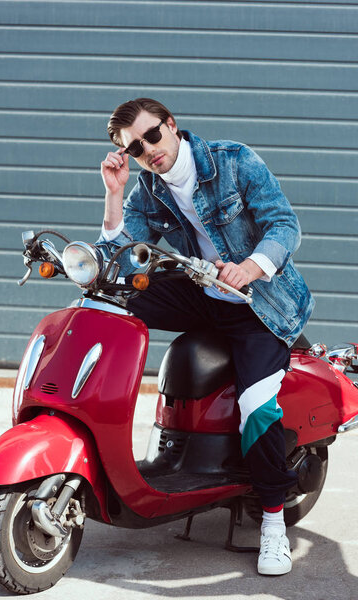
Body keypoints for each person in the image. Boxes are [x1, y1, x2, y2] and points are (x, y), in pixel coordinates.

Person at [98, 98, 315, 576]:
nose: (148, 150)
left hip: (262, 304)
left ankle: (273, 524)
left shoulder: (233, 159)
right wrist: (114, 195)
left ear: (172, 125)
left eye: (152, 136)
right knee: (113, 294)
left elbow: (285, 225)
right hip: (206, 295)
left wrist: (249, 268)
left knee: (255, 402)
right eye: (135, 148)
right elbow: (115, 259)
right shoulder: (149, 189)